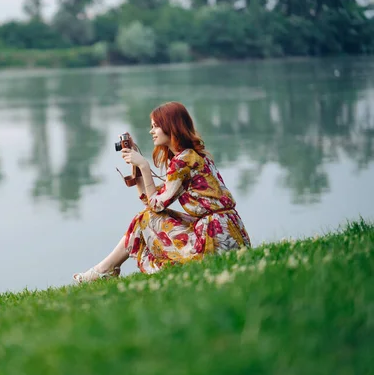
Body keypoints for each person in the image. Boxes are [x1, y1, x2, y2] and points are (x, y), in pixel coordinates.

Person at [73, 101, 251, 283]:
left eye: (156, 126)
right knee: (144, 218)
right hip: (231, 234)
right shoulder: (193, 156)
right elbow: (151, 201)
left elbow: (155, 206)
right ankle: (105, 269)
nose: (151, 131)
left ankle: (104, 270)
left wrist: (143, 165)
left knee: (145, 219)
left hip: (215, 238)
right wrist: (138, 168)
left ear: (171, 126)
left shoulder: (183, 161)